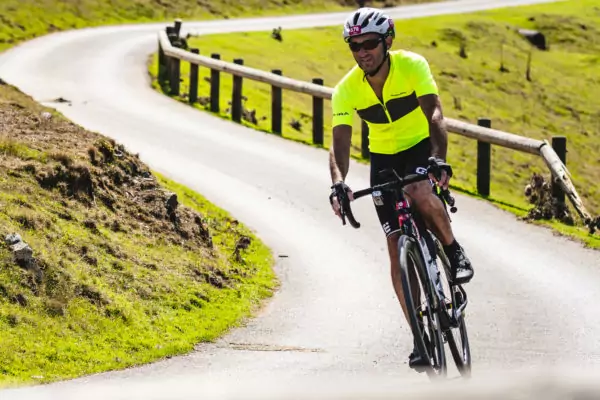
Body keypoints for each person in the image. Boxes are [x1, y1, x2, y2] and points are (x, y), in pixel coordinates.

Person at [327, 7, 475, 370]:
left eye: (369, 43)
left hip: (420, 147)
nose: (362, 52)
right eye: (354, 46)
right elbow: (339, 142)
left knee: (421, 191)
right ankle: (419, 339)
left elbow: (435, 114)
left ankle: (453, 250)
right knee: (395, 248)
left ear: (387, 41)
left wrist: (438, 158)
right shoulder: (346, 89)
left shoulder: (412, 66)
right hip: (383, 158)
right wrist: (339, 183)